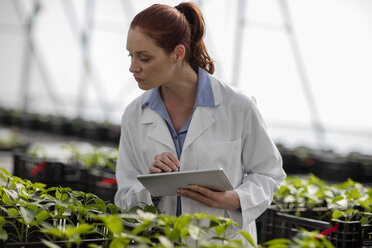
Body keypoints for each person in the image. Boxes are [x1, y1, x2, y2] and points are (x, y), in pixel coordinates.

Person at [114, 2, 286, 245]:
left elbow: (269, 173)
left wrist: (235, 198)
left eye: (144, 57)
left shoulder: (238, 106)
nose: (133, 67)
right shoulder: (134, 114)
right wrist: (151, 189)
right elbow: (124, 196)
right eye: (131, 55)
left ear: (178, 53)